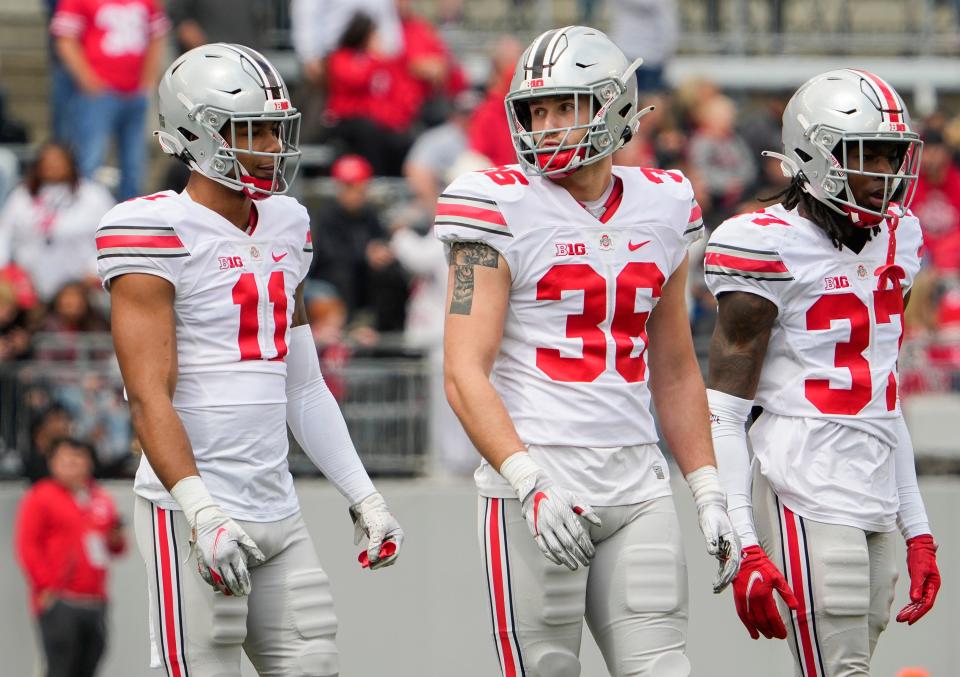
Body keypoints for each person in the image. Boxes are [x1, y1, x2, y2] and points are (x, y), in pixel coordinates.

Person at [438, 26, 740, 677]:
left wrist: (709, 488)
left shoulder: (664, 204)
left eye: (564, 106)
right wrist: (528, 482)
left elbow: (676, 366)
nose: (545, 124)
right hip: (538, 478)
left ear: (615, 106)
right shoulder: (494, 205)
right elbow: (464, 370)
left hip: (637, 481)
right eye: (535, 110)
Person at [97, 43, 404, 676]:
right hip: (191, 509)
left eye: (274, 128)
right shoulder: (153, 229)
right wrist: (202, 512)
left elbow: (303, 385)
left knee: (316, 662)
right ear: (195, 134)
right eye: (251, 129)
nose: (270, 144)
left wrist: (364, 495)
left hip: (277, 508)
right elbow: (148, 396)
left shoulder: (288, 222)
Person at [704, 69, 942, 675]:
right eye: (869, 156)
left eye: (894, 155)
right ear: (816, 155)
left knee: (851, 659)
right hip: (802, 482)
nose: (887, 173)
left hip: (874, 488)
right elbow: (725, 410)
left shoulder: (900, 237)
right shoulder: (764, 244)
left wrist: (917, 527)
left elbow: (881, 398)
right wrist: (744, 541)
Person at [15, 437, 126, 677]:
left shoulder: (100, 498)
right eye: (66, 458)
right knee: (61, 667)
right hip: (61, 598)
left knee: (89, 665)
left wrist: (116, 538)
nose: (72, 464)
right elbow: (28, 546)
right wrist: (47, 588)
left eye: (78, 458)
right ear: (52, 463)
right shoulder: (41, 496)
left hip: (95, 600)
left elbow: (116, 548)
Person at [50, 0, 169, 201]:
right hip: (99, 94)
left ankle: (132, 219)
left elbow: (157, 35)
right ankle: (85, 215)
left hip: (134, 92)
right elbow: (65, 39)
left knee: (135, 164)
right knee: (91, 160)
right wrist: (87, 78)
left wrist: (147, 80)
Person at [0, 142, 115, 303]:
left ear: (70, 163)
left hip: (82, 284)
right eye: (47, 162)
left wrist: (94, 270)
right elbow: (4, 233)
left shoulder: (94, 196)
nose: (52, 166)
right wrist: (4, 270)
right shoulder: (21, 196)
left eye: (58, 161)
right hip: (30, 285)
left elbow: (111, 238)